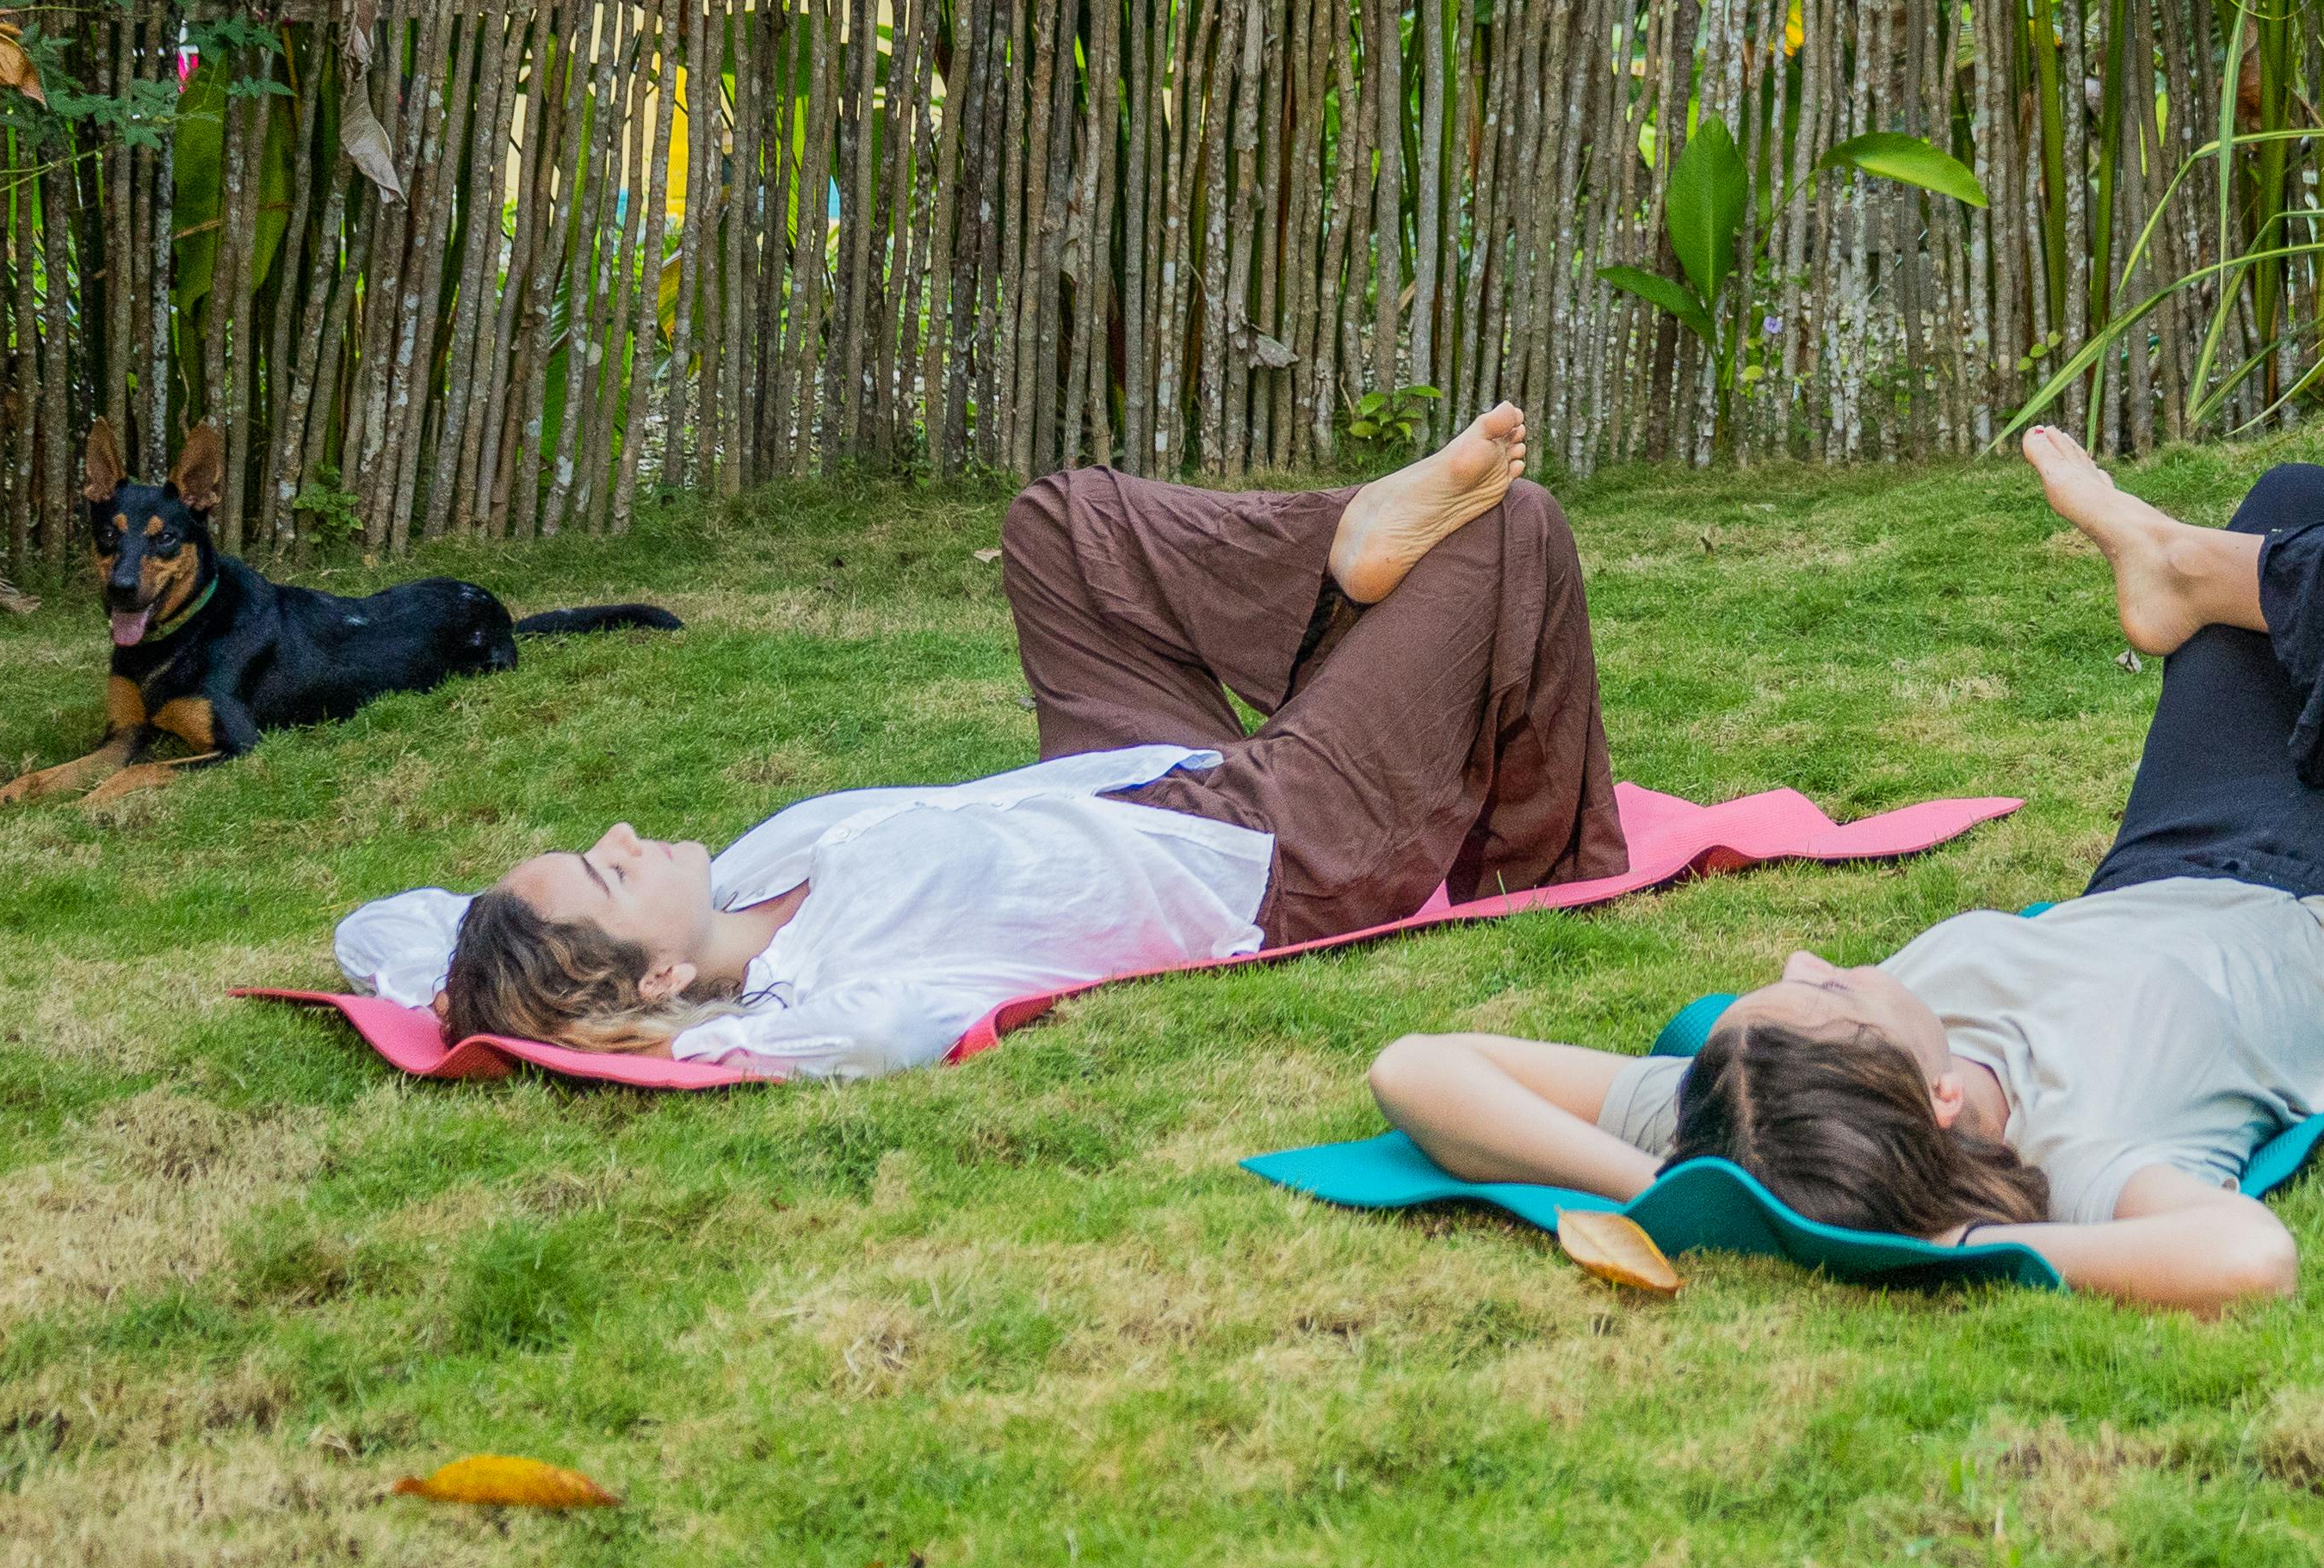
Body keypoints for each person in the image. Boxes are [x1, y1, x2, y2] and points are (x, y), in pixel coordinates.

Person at [1367, 430, 2324, 1306]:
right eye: (1836, 992)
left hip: (2174, 857)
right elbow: (2247, 1259)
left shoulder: (1764, 1114)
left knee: (2299, 498)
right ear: (1941, 1101)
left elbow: (1420, 1067)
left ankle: (2215, 575)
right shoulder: (2086, 1153)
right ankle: (2186, 568)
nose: (1809, 957)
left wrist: (1689, 1189)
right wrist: (1955, 1246)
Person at [335, 405, 1622, 1076]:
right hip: (1262, 855)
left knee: (1061, 525)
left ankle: (1337, 551)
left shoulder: (743, 877)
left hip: (1125, 781)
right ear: (661, 983)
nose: (621, 835)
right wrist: (683, 1041)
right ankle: (1543, 873)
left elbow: (386, 927)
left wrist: (468, 984)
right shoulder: (817, 992)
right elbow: (876, 1040)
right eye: (611, 870)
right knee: (1517, 534)